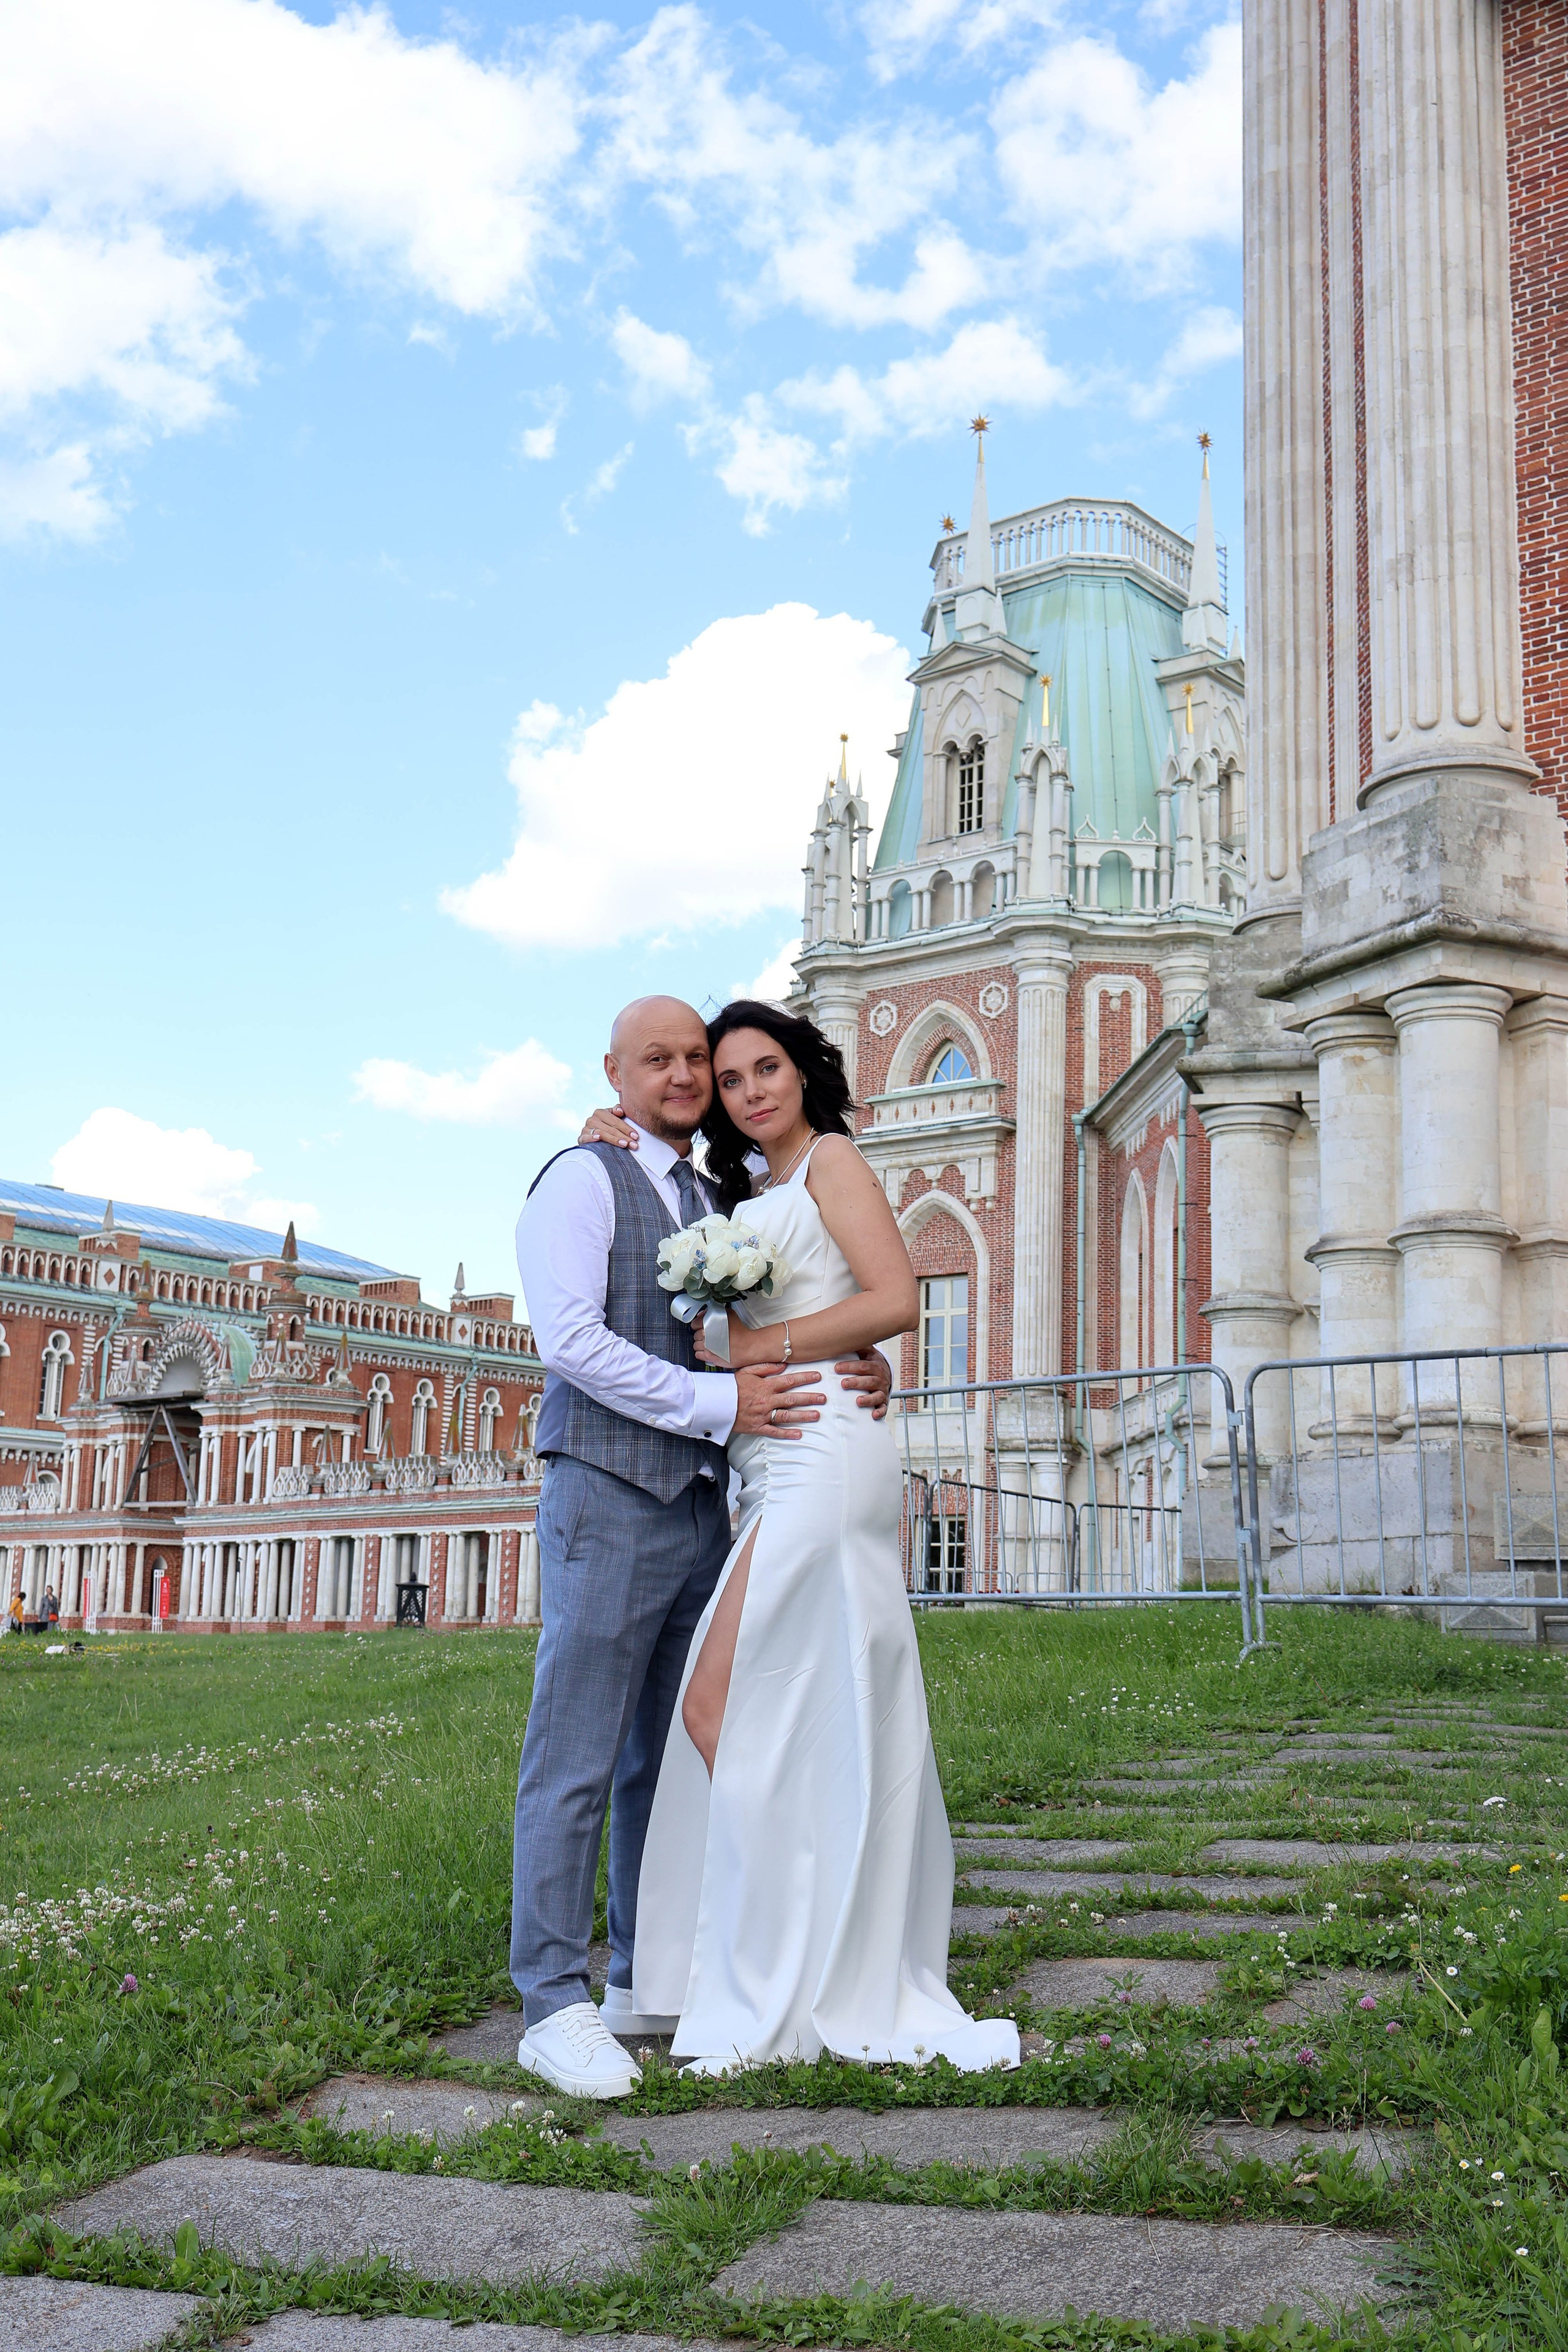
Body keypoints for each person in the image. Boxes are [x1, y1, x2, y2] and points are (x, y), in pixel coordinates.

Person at [584, 1000, 1019, 2076]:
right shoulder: (752, 1195)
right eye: (730, 1081)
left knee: (716, 1699)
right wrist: (612, 1128)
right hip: (780, 1458)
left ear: (802, 1071)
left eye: (763, 1068)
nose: (748, 1092)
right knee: (797, 1694)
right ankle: (808, 1926)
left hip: (823, 1456)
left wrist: (762, 1346)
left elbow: (896, 1296)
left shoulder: (830, 1160)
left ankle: (795, 1944)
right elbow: (837, 1301)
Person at [510, 995, 893, 2100]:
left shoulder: (727, 1193)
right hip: (609, 1489)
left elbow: (809, 1301)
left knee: (663, 1756)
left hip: (705, 1506)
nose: (685, 1077)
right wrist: (713, 1405)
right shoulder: (582, 1178)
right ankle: (550, 1999)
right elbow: (573, 1342)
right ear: (615, 1071)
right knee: (575, 1751)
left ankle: (647, 1973)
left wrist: (864, 1357)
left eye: (701, 1063)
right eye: (661, 1061)